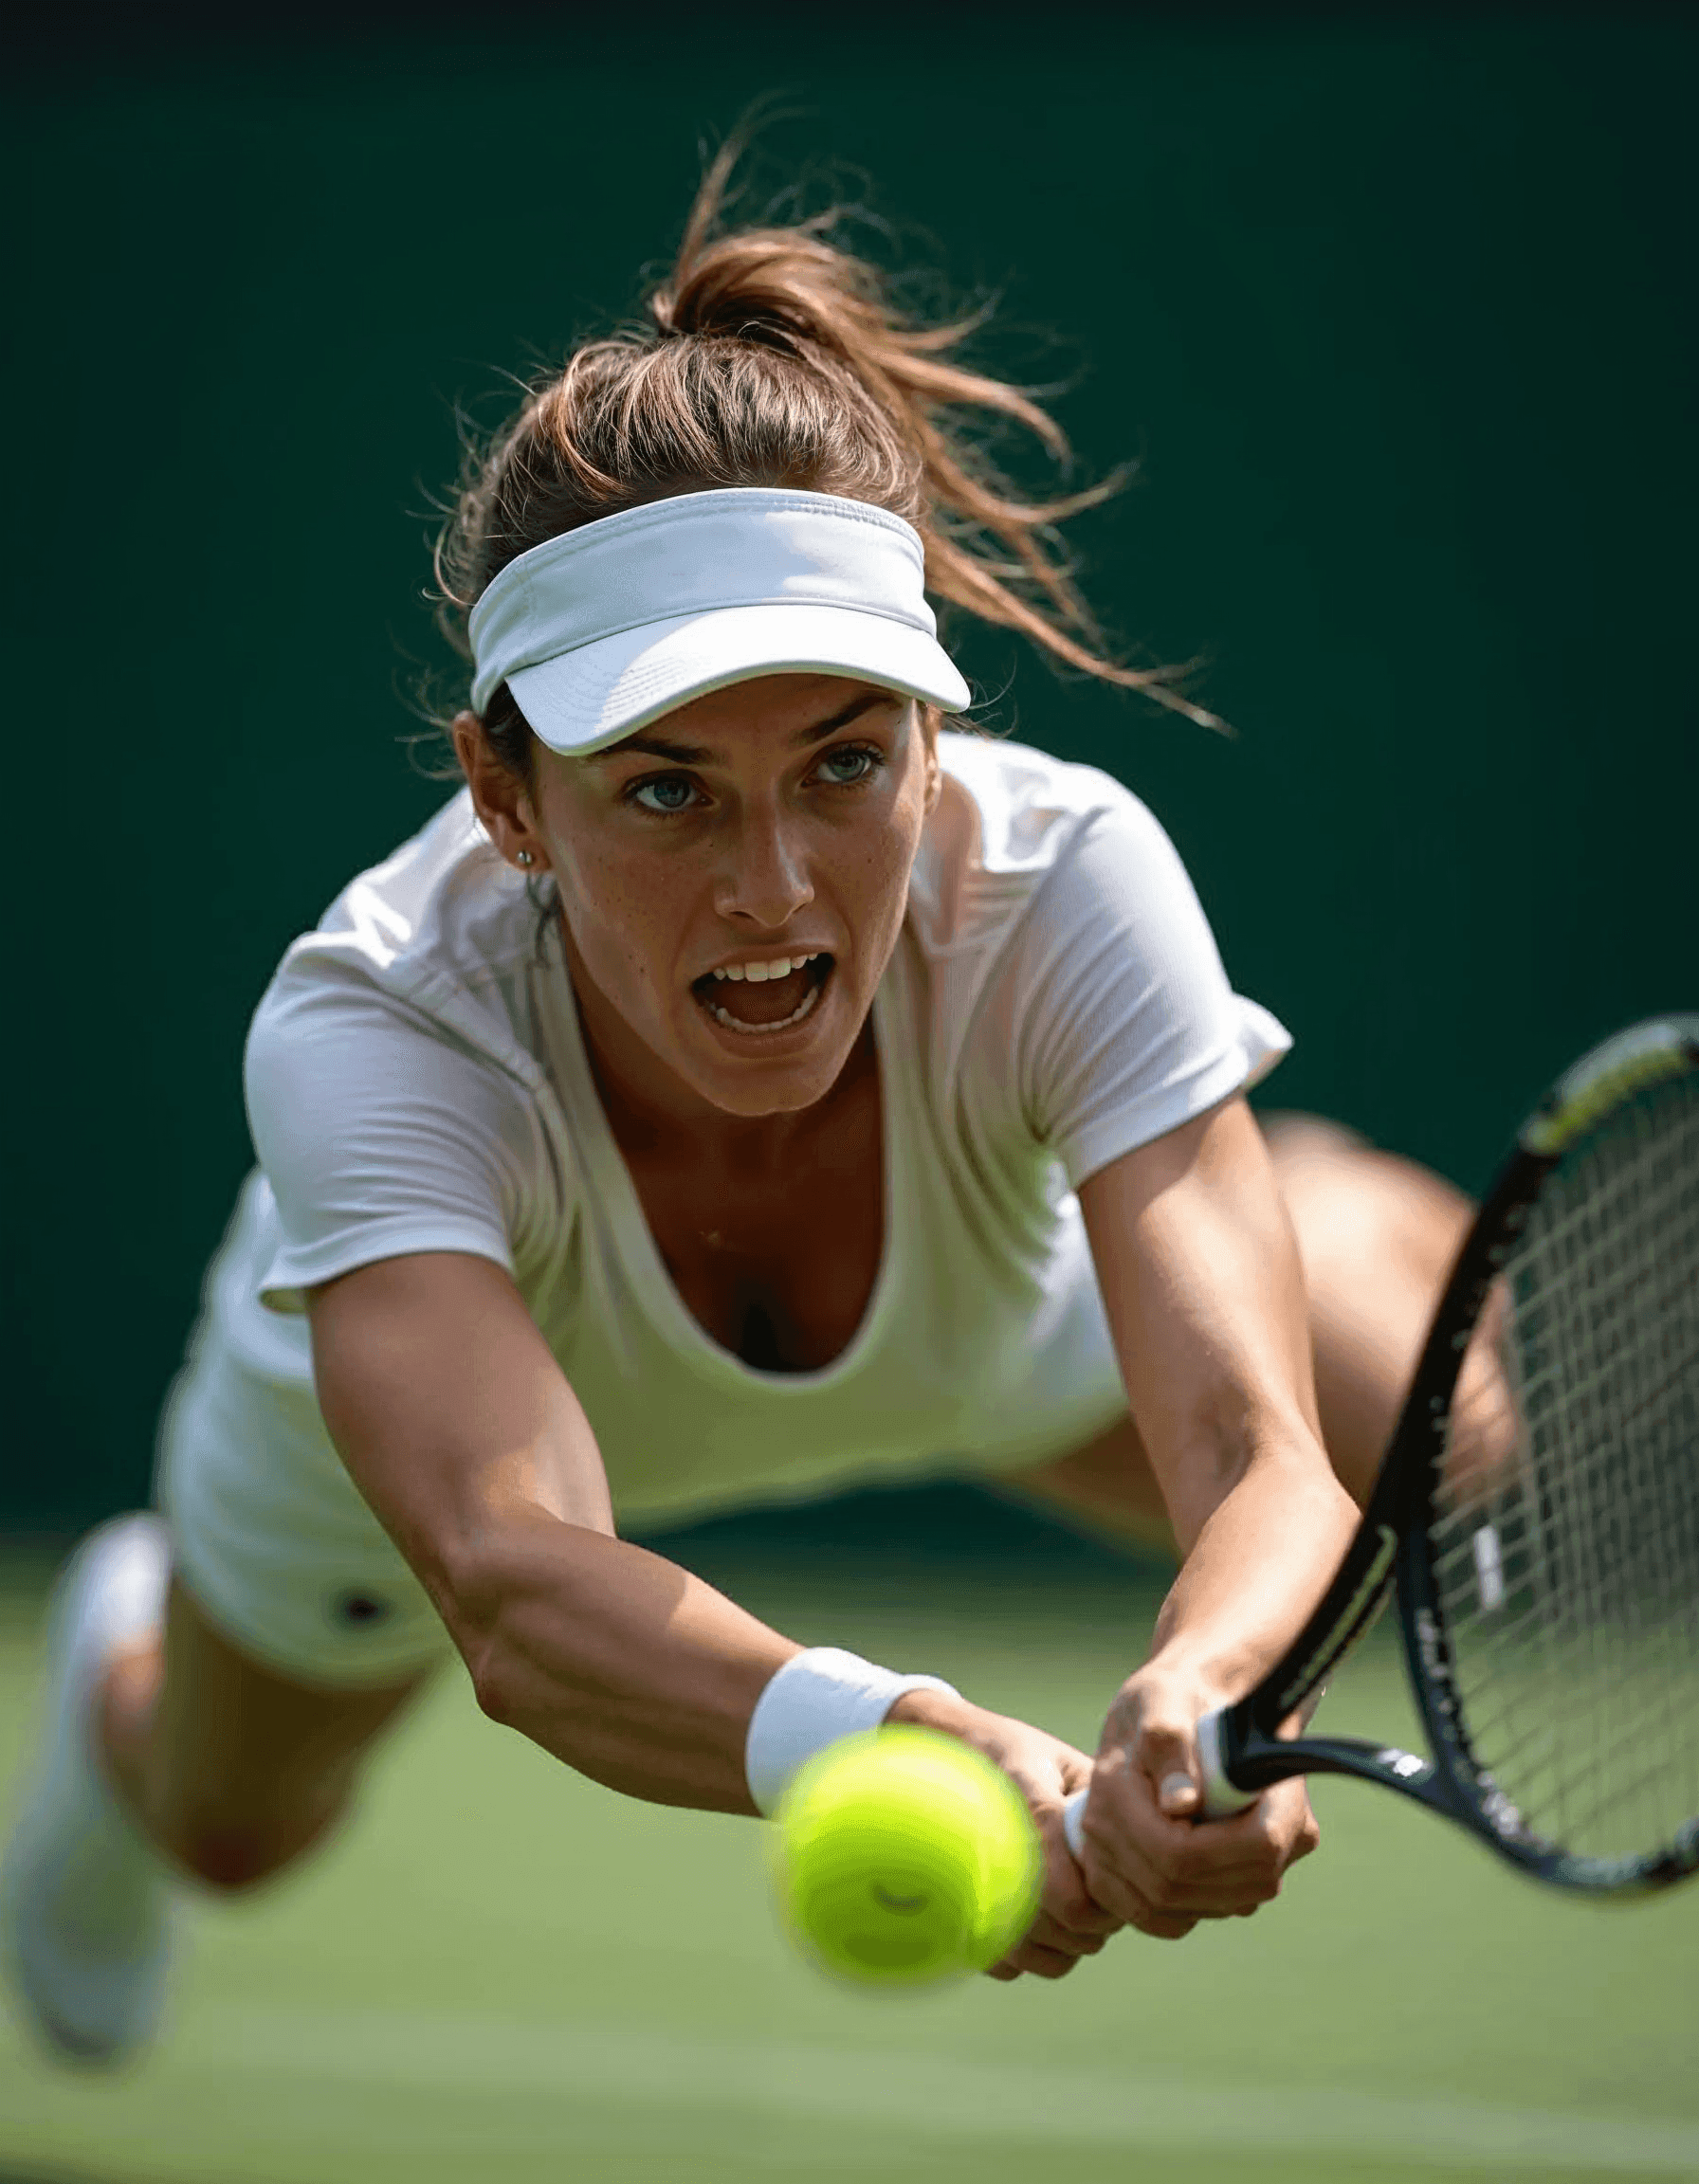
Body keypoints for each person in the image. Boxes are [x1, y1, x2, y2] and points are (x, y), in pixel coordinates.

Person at [1, 148, 1482, 2066]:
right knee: (226, 1831)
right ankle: (124, 1662)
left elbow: (1257, 1462)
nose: (772, 886)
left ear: (932, 743)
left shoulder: (1060, 879)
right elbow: (520, 1591)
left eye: (843, 766)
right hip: (446, 1429)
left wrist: (1204, 1690)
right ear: (507, 798)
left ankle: (1278, 1182)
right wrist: (887, 1733)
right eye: (665, 789)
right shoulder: (376, 1024)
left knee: (1444, 1429)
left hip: (977, 1336)